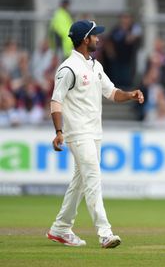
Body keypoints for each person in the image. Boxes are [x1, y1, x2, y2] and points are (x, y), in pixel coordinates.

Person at [46, 20, 144, 248]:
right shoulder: (68, 68)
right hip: (78, 133)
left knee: (79, 182)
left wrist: (130, 95)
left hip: (94, 132)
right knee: (93, 179)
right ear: (84, 40)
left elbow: (111, 93)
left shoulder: (95, 66)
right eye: (94, 35)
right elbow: (56, 101)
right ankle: (105, 233)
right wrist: (59, 131)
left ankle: (60, 228)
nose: (98, 39)